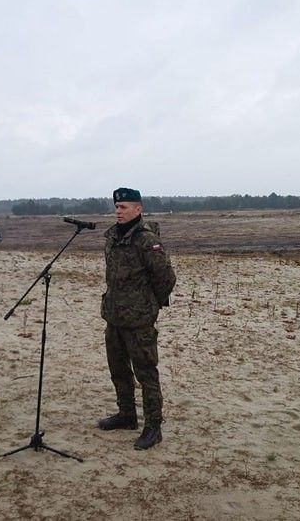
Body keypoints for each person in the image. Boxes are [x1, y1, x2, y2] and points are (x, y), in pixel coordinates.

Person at [97, 187, 177, 450]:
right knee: (118, 370)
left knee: (146, 374)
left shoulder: (147, 240)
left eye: (124, 207)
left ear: (138, 209)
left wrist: (149, 305)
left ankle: (153, 426)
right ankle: (126, 415)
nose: (118, 211)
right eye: (117, 207)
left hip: (139, 320)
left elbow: (166, 278)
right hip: (115, 317)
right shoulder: (112, 238)